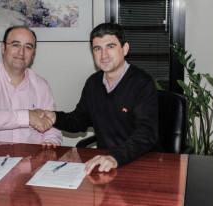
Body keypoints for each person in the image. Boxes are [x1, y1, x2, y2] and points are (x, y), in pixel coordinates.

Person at [35, 23, 158, 174]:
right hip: (106, 163)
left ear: (124, 49)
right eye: (97, 49)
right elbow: (80, 120)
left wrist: (115, 157)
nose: (104, 55)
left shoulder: (142, 83)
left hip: (139, 162)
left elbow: (146, 132)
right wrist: (54, 117)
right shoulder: (93, 82)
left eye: (110, 47)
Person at [0, 26, 62, 146]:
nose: (21, 52)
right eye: (15, 45)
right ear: (3, 48)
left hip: (31, 160)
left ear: (33, 54)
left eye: (28, 47)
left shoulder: (41, 84)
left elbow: (52, 127)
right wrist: (27, 116)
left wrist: (50, 142)